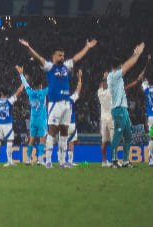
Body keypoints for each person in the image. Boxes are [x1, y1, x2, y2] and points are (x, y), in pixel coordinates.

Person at [18, 38, 97, 166]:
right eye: (60, 55)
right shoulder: (50, 66)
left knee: (65, 131)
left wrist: (87, 47)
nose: (62, 57)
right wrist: (28, 47)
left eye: (63, 55)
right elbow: (38, 57)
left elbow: (77, 58)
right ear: (54, 56)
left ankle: (62, 161)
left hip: (66, 103)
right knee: (52, 131)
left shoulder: (66, 66)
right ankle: (48, 160)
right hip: (55, 104)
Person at [106, 43, 147, 167]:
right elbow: (129, 65)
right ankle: (113, 160)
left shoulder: (115, 76)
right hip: (118, 109)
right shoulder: (113, 75)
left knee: (128, 135)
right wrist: (137, 54)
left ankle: (125, 161)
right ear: (118, 67)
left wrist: (134, 54)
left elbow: (126, 65)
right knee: (118, 136)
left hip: (123, 109)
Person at [16, 64, 49, 166]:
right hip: (42, 120)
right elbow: (53, 85)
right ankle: (39, 159)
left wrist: (21, 74)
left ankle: (28, 159)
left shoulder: (30, 92)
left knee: (32, 139)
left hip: (33, 120)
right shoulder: (43, 92)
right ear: (40, 85)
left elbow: (25, 84)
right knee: (42, 139)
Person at [0, 75, 24, 166]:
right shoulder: (9, 101)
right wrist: (23, 81)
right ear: (7, 93)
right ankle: (9, 160)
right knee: (10, 141)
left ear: (0, 93)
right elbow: (19, 91)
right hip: (7, 124)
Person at [64, 69, 84, 167]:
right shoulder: (71, 99)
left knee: (63, 143)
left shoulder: (59, 102)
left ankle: (63, 161)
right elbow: (78, 89)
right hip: (72, 124)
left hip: (64, 125)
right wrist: (79, 78)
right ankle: (70, 161)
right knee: (71, 142)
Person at [97, 71, 114, 167]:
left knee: (104, 141)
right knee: (113, 141)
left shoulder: (99, 92)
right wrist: (108, 77)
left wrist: (104, 77)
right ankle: (114, 160)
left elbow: (100, 85)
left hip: (103, 119)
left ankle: (104, 162)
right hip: (111, 118)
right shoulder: (109, 91)